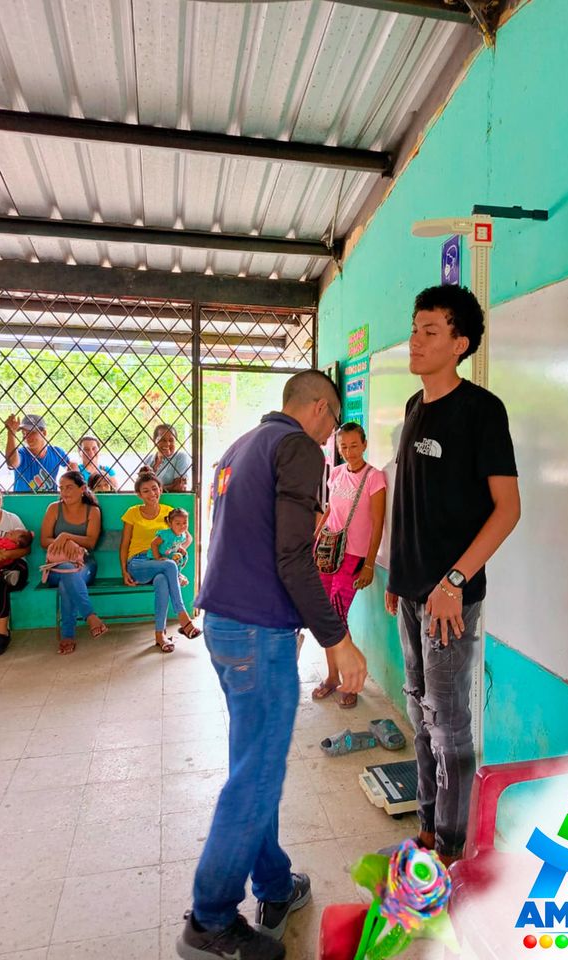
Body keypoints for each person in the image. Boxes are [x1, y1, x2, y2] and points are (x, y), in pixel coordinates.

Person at [177, 370, 367, 960]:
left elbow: (247, 540)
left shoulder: (241, 447)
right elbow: (292, 555)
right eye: (333, 422)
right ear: (319, 408)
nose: (332, 436)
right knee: (256, 777)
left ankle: (275, 884)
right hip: (258, 632)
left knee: (252, 765)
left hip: (225, 623)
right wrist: (337, 638)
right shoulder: (299, 448)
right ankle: (210, 919)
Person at [385, 284, 521, 868]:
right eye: (414, 329)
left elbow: (508, 510)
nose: (415, 341)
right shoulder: (413, 408)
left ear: (459, 343)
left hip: (450, 599)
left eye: (430, 331)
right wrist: (397, 576)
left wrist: (454, 582)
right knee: (419, 714)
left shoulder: (481, 411)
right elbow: (409, 502)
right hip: (413, 593)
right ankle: (427, 828)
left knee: (449, 727)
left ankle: (454, 850)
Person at [312, 421, 386, 708]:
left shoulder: (375, 478)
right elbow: (330, 509)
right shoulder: (337, 473)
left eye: (354, 445)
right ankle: (332, 677)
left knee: (336, 616)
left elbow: (378, 523)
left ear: (364, 444)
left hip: (354, 556)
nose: (349, 451)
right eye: (344, 446)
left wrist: (369, 564)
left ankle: (351, 681)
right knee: (324, 616)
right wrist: (315, 540)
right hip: (327, 551)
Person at [120, 471, 200, 652]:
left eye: (155, 489)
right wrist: (124, 571)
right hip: (138, 563)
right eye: (146, 491)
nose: (152, 493)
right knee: (169, 565)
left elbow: (186, 537)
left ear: (160, 490)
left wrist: (179, 550)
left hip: (161, 566)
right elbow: (124, 545)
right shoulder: (132, 513)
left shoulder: (168, 512)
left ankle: (160, 635)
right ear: (139, 494)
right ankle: (183, 617)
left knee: (163, 580)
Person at [40, 471, 108, 655]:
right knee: (67, 572)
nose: (64, 492)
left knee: (67, 581)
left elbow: (91, 542)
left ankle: (68, 635)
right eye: (61, 488)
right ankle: (90, 616)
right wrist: (65, 542)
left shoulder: (92, 511)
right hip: (56, 567)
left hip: (85, 564)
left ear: (82, 489)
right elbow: (44, 540)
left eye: (69, 487)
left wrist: (66, 536)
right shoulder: (54, 509)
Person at [0, 480, 32, 657]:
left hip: (14, 570)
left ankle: (2, 634)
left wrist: (6, 555)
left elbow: (26, 549)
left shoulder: (12, 519)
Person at [4, 413, 68, 492]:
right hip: (23, 499)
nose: (26, 437)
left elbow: (70, 465)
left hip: (49, 499)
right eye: (24, 433)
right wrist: (11, 433)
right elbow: (12, 463)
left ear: (44, 433)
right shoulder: (22, 453)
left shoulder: (56, 452)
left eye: (31, 432)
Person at [147, 507, 192, 586]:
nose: (182, 526)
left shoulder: (182, 535)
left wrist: (180, 548)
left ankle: (177, 573)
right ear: (170, 524)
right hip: (155, 557)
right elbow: (153, 544)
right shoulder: (166, 534)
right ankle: (176, 575)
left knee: (184, 556)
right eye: (178, 524)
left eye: (185, 523)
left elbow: (175, 544)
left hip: (168, 556)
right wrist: (158, 557)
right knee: (177, 557)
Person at [143, 424, 191, 492]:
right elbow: (141, 486)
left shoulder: (181, 457)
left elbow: (180, 487)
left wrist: (151, 490)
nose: (167, 444)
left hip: (172, 499)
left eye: (171, 440)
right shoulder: (148, 460)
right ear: (154, 441)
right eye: (163, 440)